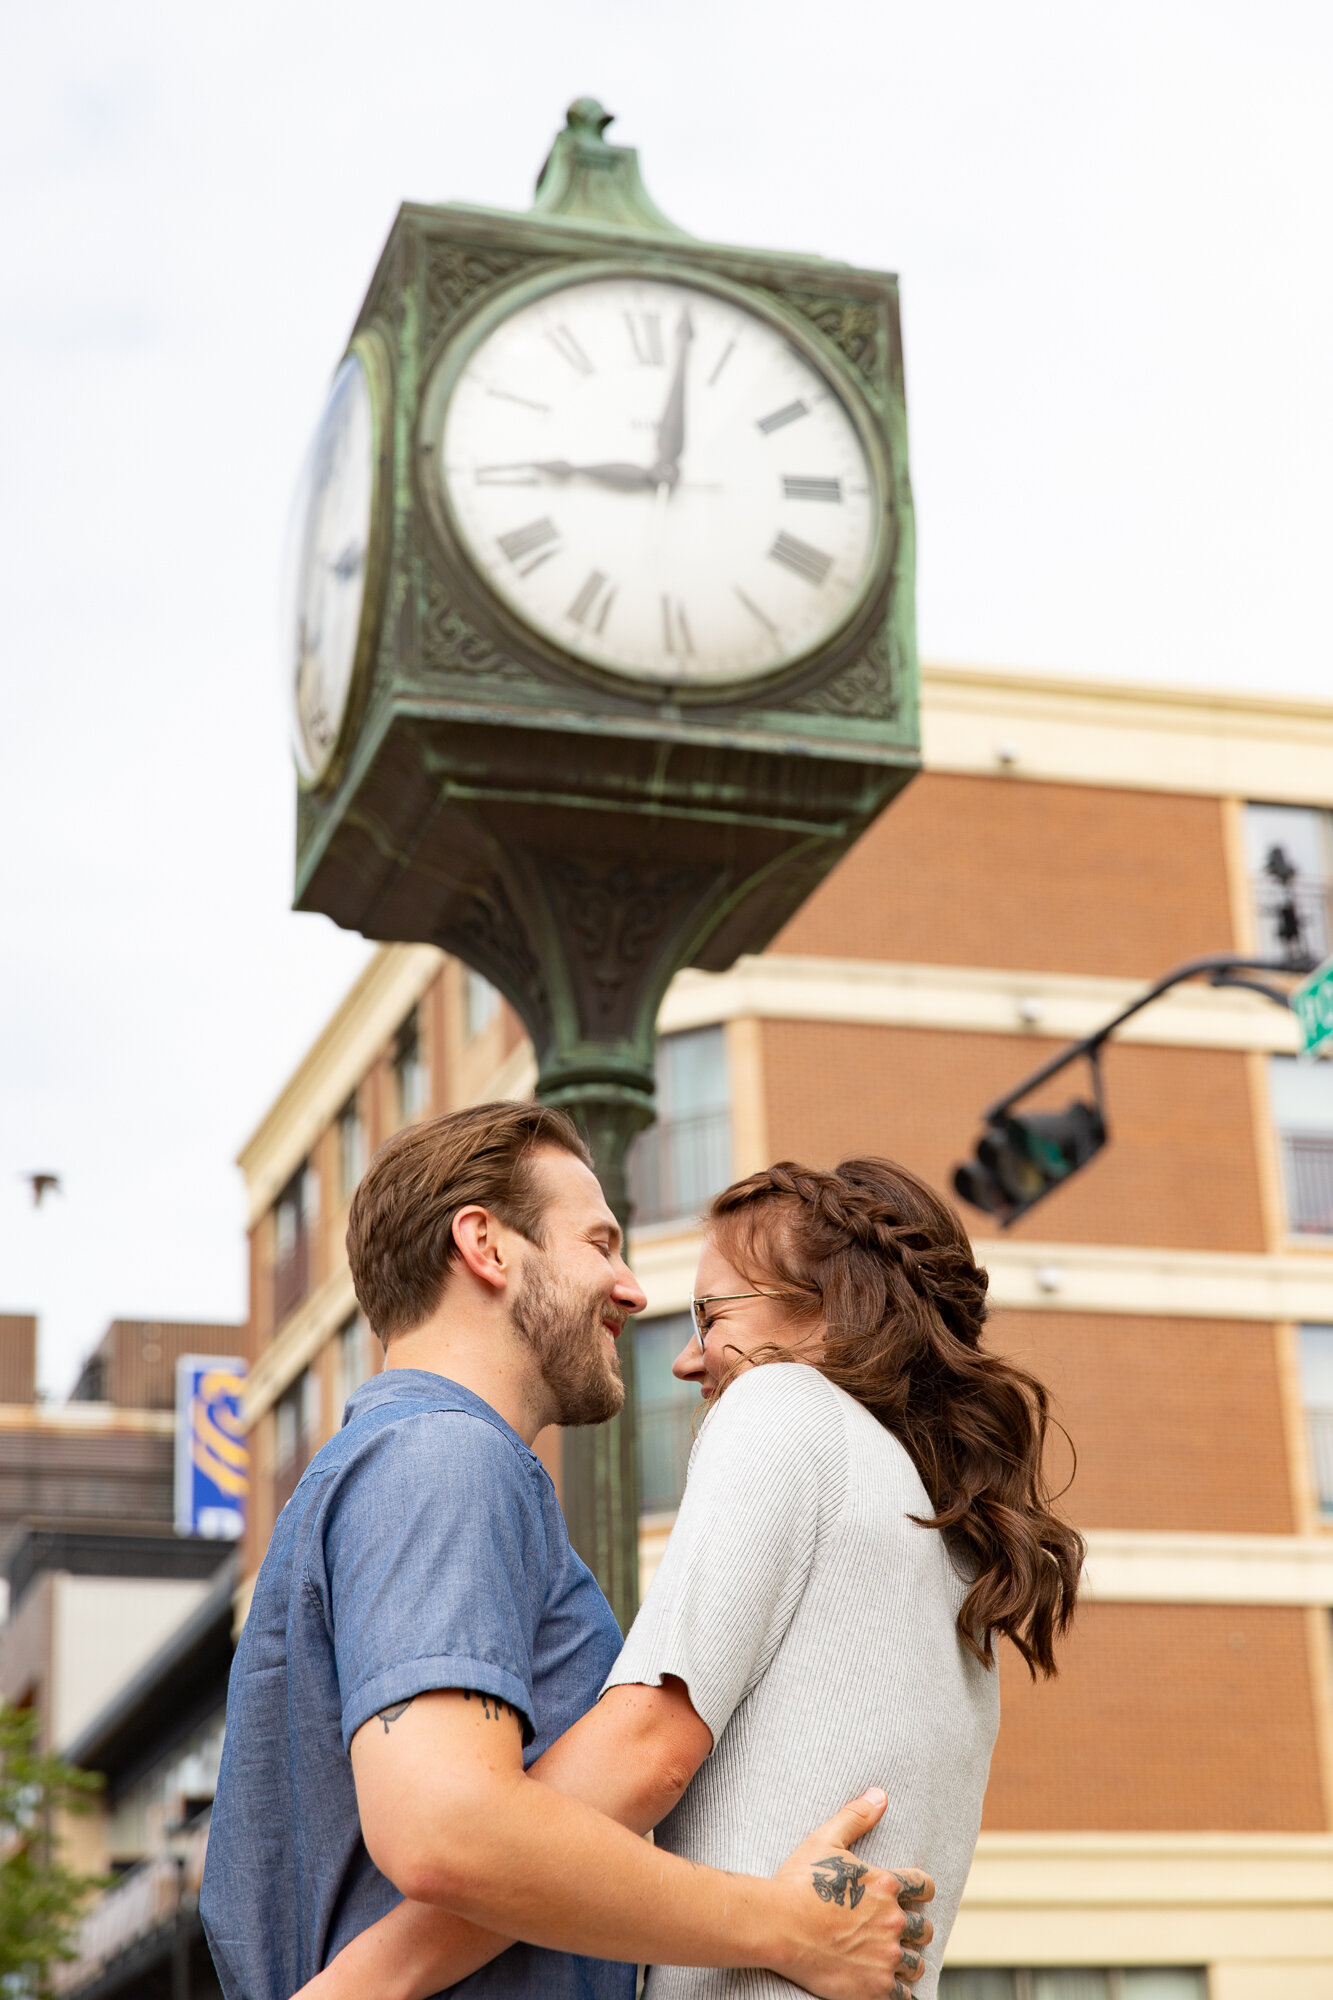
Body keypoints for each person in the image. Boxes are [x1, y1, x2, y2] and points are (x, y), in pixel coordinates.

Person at [291, 1153, 1084, 2000]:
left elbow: (644, 1756)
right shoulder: (949, 1545)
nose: (687, 1358)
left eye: (710, 1316)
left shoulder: (780, 1406)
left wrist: (355, 1986)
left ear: (834, 1313)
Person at [200, 1105, 933, 2000]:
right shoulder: (441, 1456)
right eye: (599, 1243)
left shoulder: (407, 1461)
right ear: (487, 1246)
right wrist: (789, 1927)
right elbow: (445, 1831)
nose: (630, 1290)